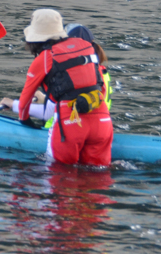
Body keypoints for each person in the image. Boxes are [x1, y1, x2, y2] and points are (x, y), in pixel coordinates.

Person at [13, 9, 113, 167]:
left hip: (70, 122)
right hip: (102, 119)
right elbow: (101, 87)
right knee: (98, 177)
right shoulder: (87, 47)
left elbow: (24, 102)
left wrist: (25, 121)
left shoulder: (44, 58)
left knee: (59, 176)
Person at [0, 23, 113, 128]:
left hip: (66, 129)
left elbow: (50, 112)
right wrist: (45, 99)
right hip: (102, 126)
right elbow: (78, 99)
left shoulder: (66, 68)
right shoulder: (100, 71)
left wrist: (13, 105)